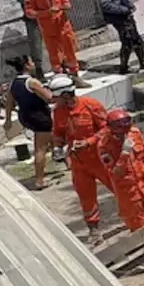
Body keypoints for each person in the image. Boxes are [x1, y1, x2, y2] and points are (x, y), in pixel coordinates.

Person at [50, 74, 112, 237]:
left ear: (65, 95)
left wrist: (89, 142)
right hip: (78, 162)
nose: (54, 101)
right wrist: (57, 147)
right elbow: (58, 133)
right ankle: (94, 230)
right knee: (86, 196)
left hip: (100, 158)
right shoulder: (58, 112)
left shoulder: (91, 106)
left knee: (119, 187)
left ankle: (139, 217)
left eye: (57, 97)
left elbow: (107, 129)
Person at [97, 108, 144, 232]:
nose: (123, 136)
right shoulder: (104, 146)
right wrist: (124, 153)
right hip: (128, 191)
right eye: (119, 134)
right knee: (139, 225)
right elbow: (115, 172)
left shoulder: (134, 134)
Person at [4, 54, 55, 190]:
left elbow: (9, 103)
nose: (33, 63)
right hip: (39, 117)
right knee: (40, 148)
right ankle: (40, 180)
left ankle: (64, 159)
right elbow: (49, 98)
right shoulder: (32, 82)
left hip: (25, 117)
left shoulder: (13, 83)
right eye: (31, 61)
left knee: (55, 137)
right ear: (27, 65)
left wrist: (8, 120)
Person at [23, 0, 81, 78]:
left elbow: (65, 1)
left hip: (63, 25)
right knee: (54, 54)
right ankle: (59, 76)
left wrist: (65, 5)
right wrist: (47, 12)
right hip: (48, 28)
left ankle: (75, 74)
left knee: (70, 49)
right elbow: (29, 13)